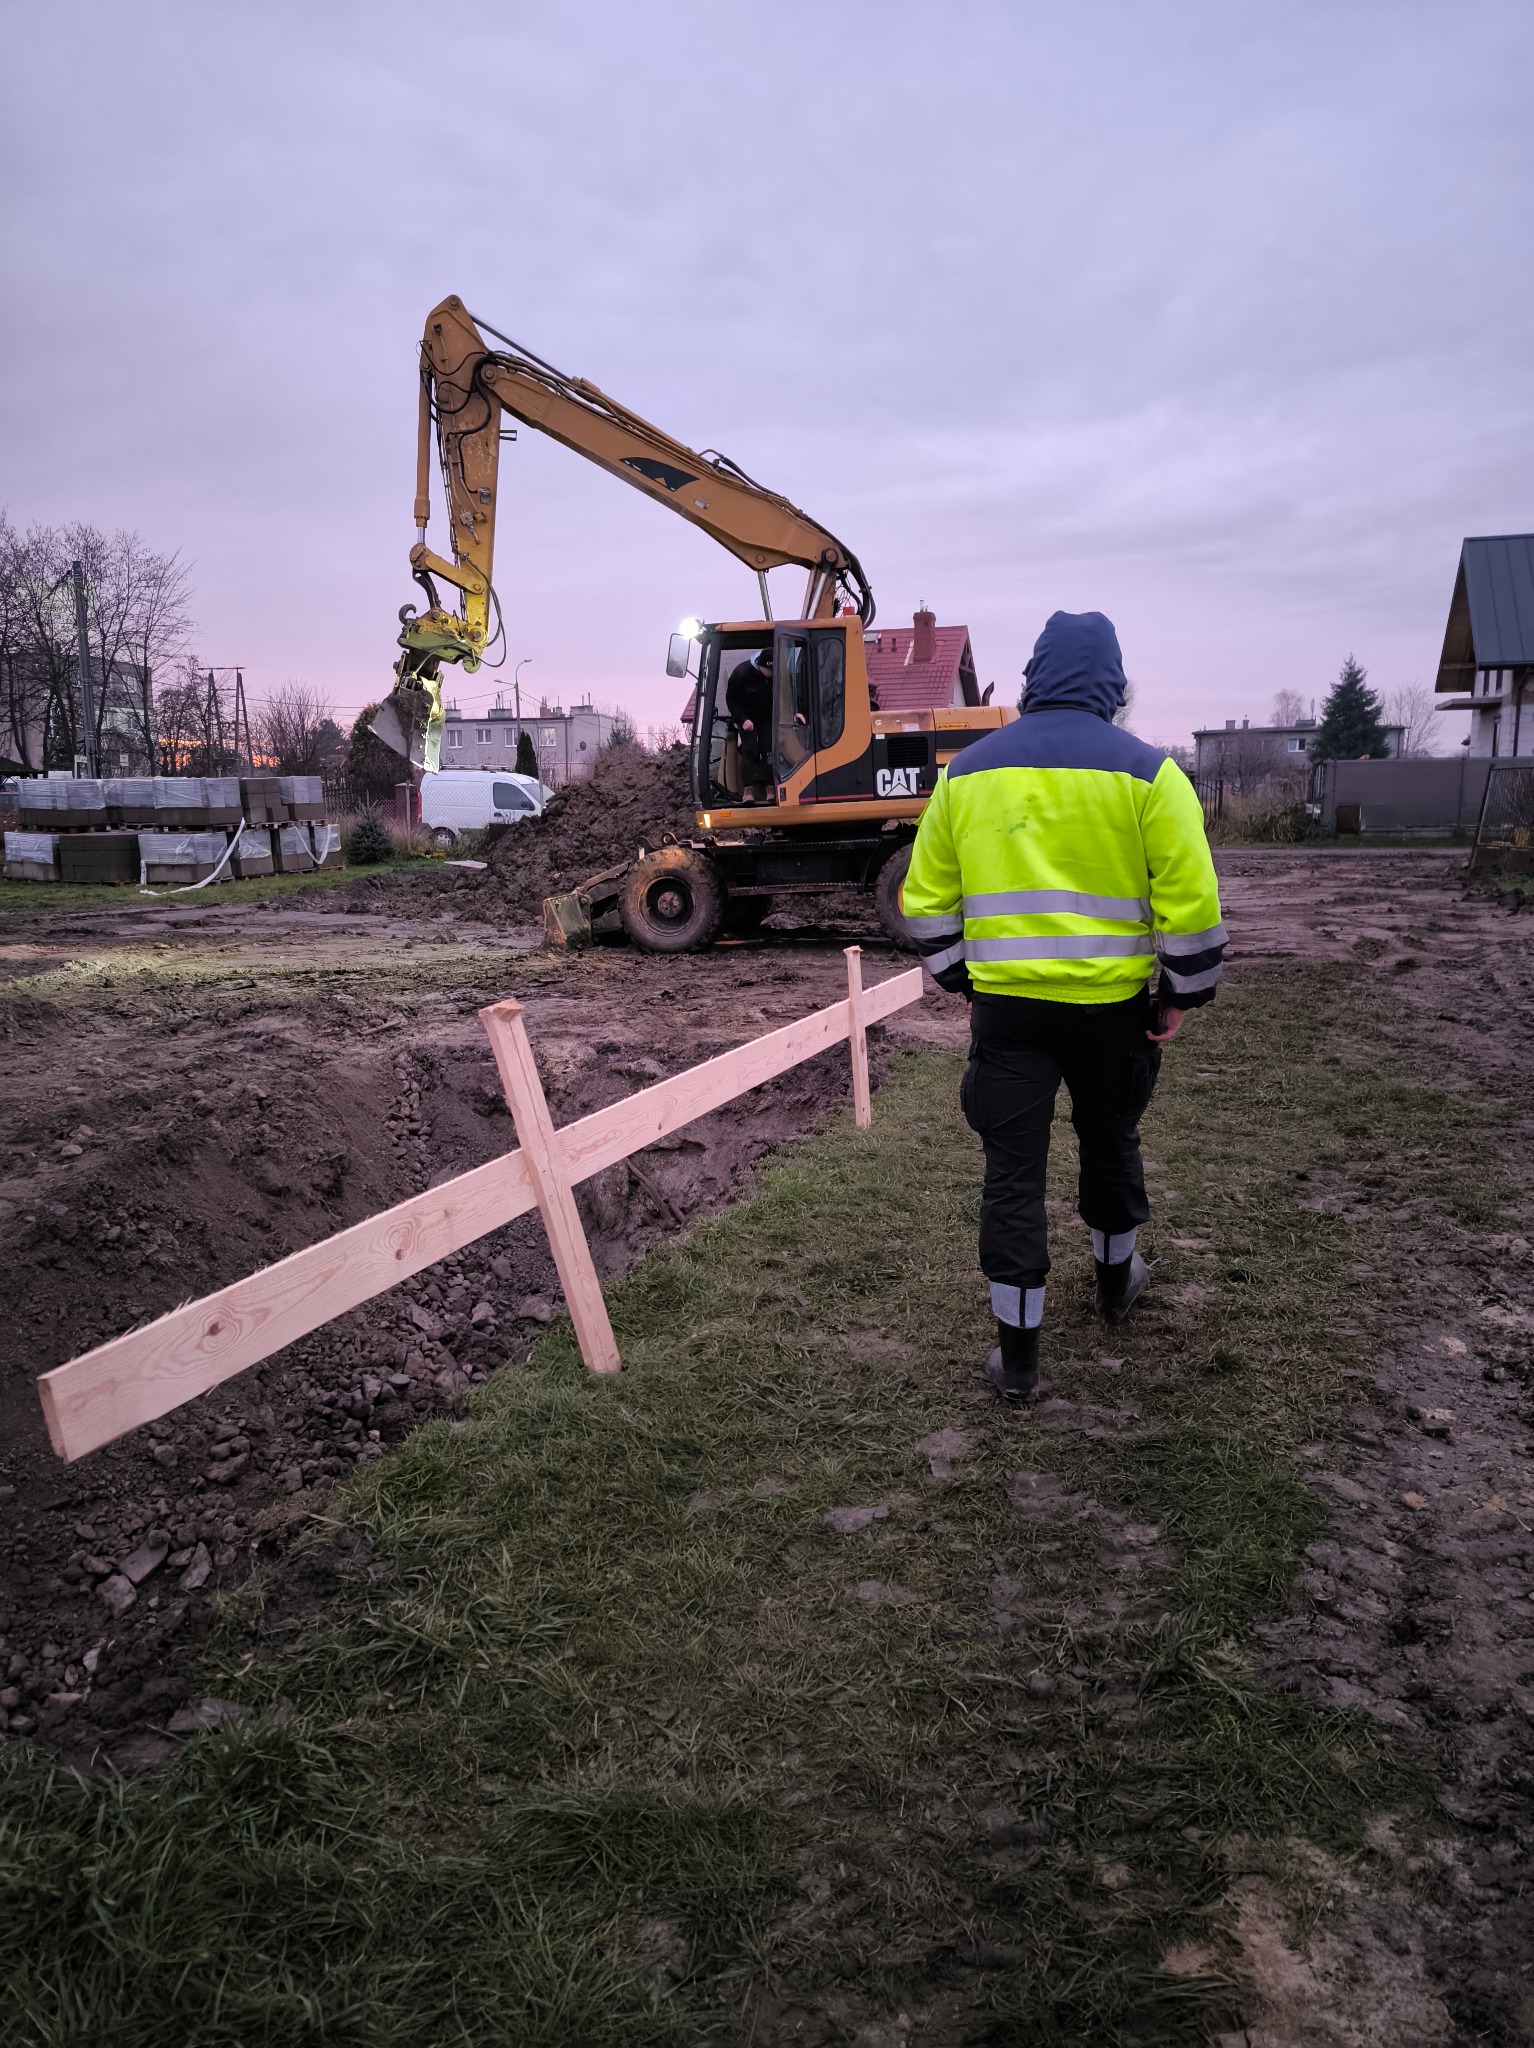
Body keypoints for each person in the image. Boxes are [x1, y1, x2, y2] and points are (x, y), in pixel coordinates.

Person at [902, 610, 1224, 1404]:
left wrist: (962, 981)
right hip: (1113, 1012)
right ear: (1113, 684)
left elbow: (926, 902)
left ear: (1033, 677)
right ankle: (1117, 1287)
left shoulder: (965, 774)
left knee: (1012, 1175)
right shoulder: (1153, 776)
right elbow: (1191, 905)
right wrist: (1178, 997)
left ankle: (1018, 1363)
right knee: (1111, 1139)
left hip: (1009, 1016)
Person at [726, 646, 775, 798]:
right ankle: (748, 789)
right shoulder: (742, 673)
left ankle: (771, 787)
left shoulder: (776, 673)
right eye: (770, 670)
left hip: (767, 715)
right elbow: (732, 700)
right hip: (746, 715)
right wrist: (743, 719)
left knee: (768, 748)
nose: (772, 673)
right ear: (761, 666)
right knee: (749, 749)